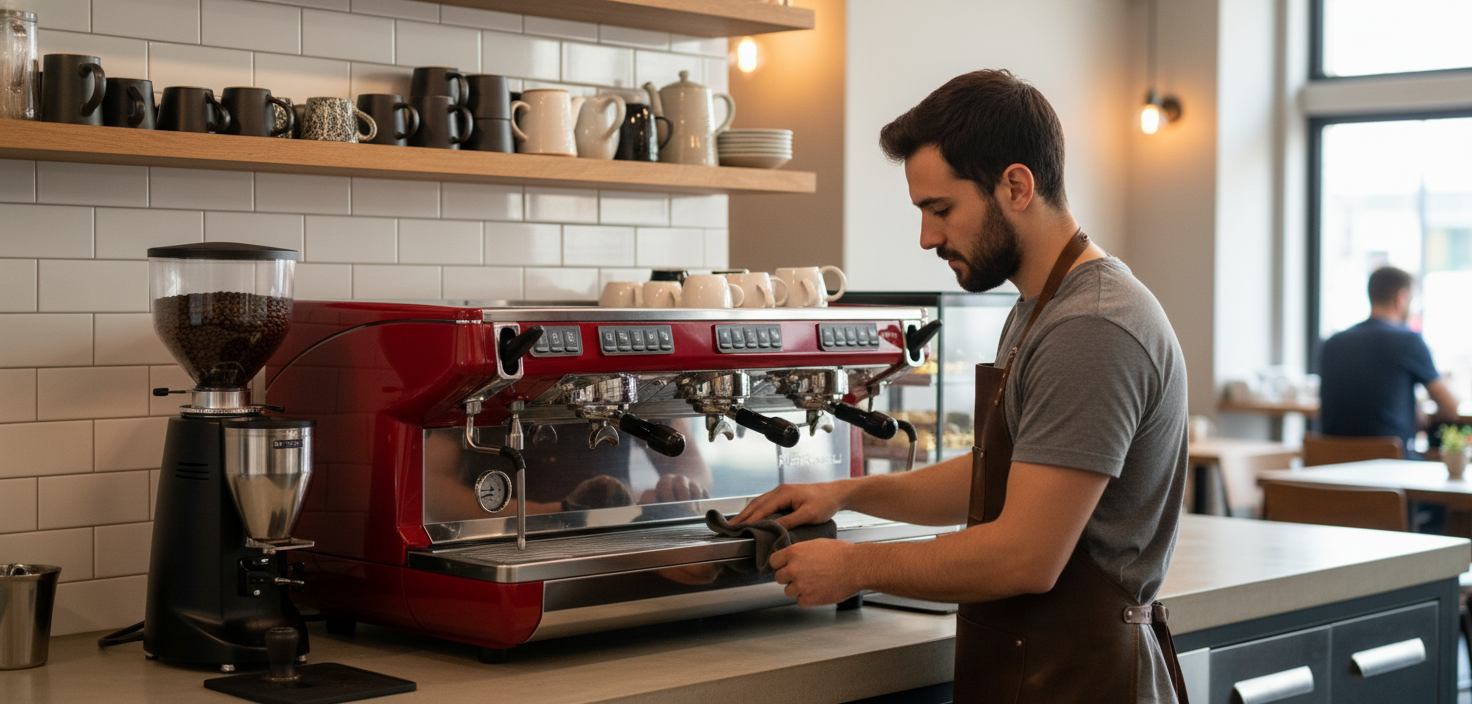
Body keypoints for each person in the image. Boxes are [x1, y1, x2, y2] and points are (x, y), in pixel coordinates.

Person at [732, 69, 1189, 703]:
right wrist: (845, 493)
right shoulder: (1038, 308)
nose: (927, 238)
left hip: (1085, 682)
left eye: (940, 209)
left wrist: (854, 567)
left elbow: (1026, 555)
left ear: (1017, 186)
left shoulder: (1092, 325)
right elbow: (1001, 479)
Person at [1318, 266, 1461, 454]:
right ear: (1401, 298)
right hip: (1389, 465)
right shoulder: (1408, 341)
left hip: (1330, 462)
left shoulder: (1333, 343)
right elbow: (1451, 407)